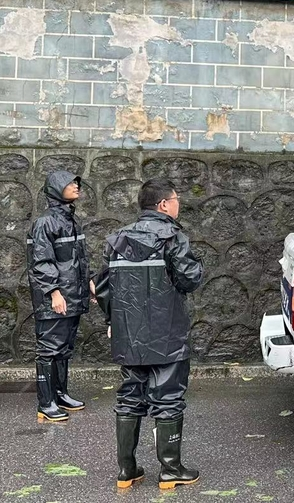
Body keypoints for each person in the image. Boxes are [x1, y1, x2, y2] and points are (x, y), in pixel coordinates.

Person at [94, 178, 204, 490]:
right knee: (167, 397)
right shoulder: (173, 236)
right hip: (166, 331)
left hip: (129, 332)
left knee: (130, 395)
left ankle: (126, 470)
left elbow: (102, 286)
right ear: (163, 205)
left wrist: (113, 319)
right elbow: (189, 278)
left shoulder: (117, 239)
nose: (178, 204)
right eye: (176, 199)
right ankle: (171, 469)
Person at [26, 170, 88, 423]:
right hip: (56, 298)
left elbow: (78, 260)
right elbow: (41, 262)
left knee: (64, 348)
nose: (76, 186)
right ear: (55, 188)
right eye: (70, 183)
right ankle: (46, 402)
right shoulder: (45, 223)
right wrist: (54, 292)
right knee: (49, 349)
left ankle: (60, 393)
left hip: (72, 295)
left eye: (76, 182)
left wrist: (89, 285)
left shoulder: (71, 220)